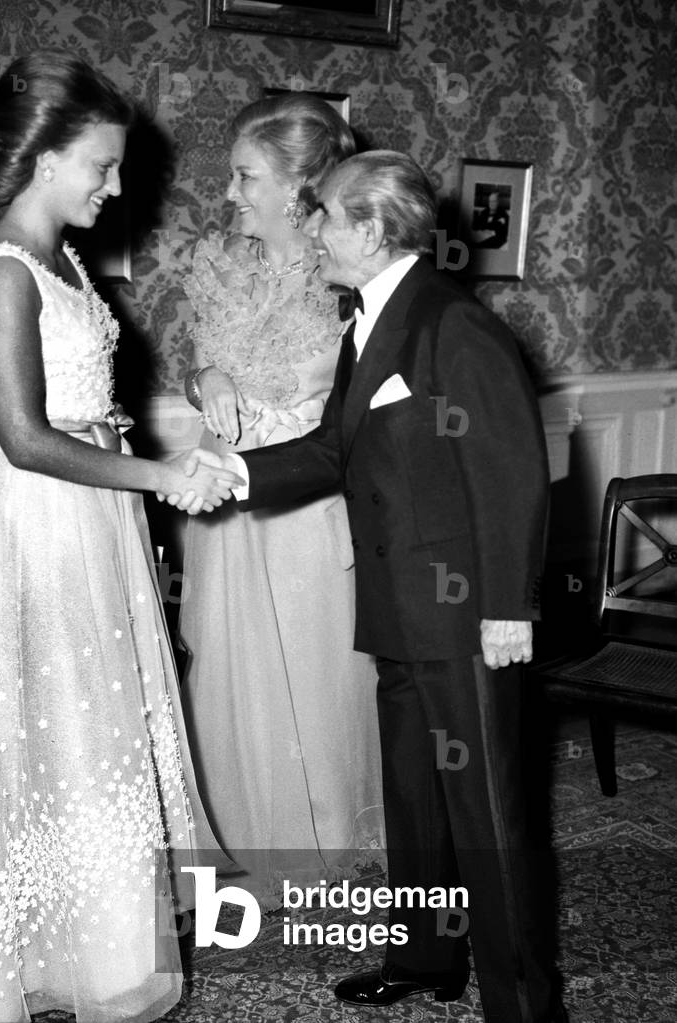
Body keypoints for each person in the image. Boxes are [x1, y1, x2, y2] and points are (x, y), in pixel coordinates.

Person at [174, 150, 568, 1021]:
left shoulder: (451, 324)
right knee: (413, 796)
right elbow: (330, 453)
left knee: (487, 815)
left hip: (465, 616)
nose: (311, 232)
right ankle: (426, 955)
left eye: (324, 217)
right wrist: (233, 470)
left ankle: (523, 1004)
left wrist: (508, 606)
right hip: (397, 609)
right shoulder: (369, 321)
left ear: (371, 229)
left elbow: (511, 473)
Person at [0, 51, 241, 1023]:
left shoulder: (67, 261)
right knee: (55, 735)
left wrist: (151, 465)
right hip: (40, 524)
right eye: (102, 164)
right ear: (47, 158)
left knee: (96, 734)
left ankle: (98, 955)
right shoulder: (2, 273)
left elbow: (87, 411)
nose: (117, 184)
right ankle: (15, 962)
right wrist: (160, 473)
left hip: (95, 519)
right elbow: (25, 437)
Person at [177, 94, 384, 906]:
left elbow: (359, 411)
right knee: (229, 665)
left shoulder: (352, 278)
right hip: (222, 495)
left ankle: (330, 840)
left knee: (316, 667)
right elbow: (194, 370)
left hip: (304, 501)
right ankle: (240, 833)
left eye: (244, 175)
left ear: (299, 185)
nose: (229, 192)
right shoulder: (218, 263)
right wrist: (207, 379)